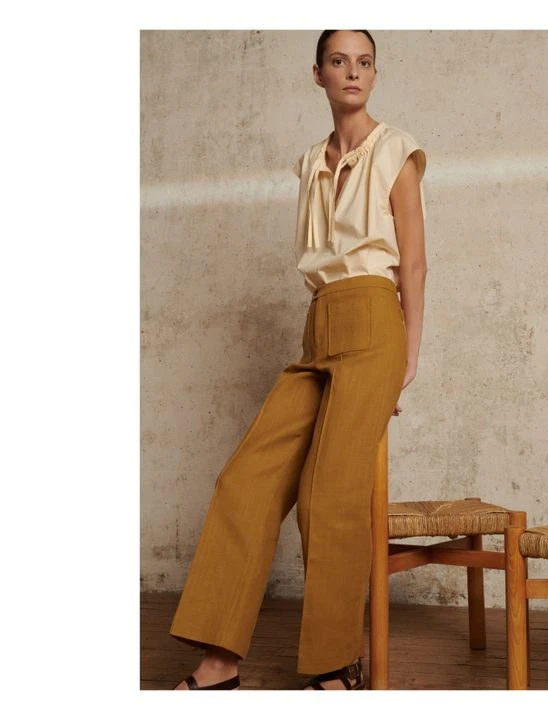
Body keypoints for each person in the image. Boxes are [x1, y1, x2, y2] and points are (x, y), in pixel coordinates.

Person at [169, 28, 428, 690]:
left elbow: (415, 263)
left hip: (375, 322)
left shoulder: (396, 150)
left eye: (364, 62)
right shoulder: (311, 161)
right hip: (321, 325)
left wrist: (408, 359)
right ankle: (220, 660)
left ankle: (334, 666)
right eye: (339, 61)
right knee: (245, 481)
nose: (353, 72)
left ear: (375, 75)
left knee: (328, 493)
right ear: (319, 75)